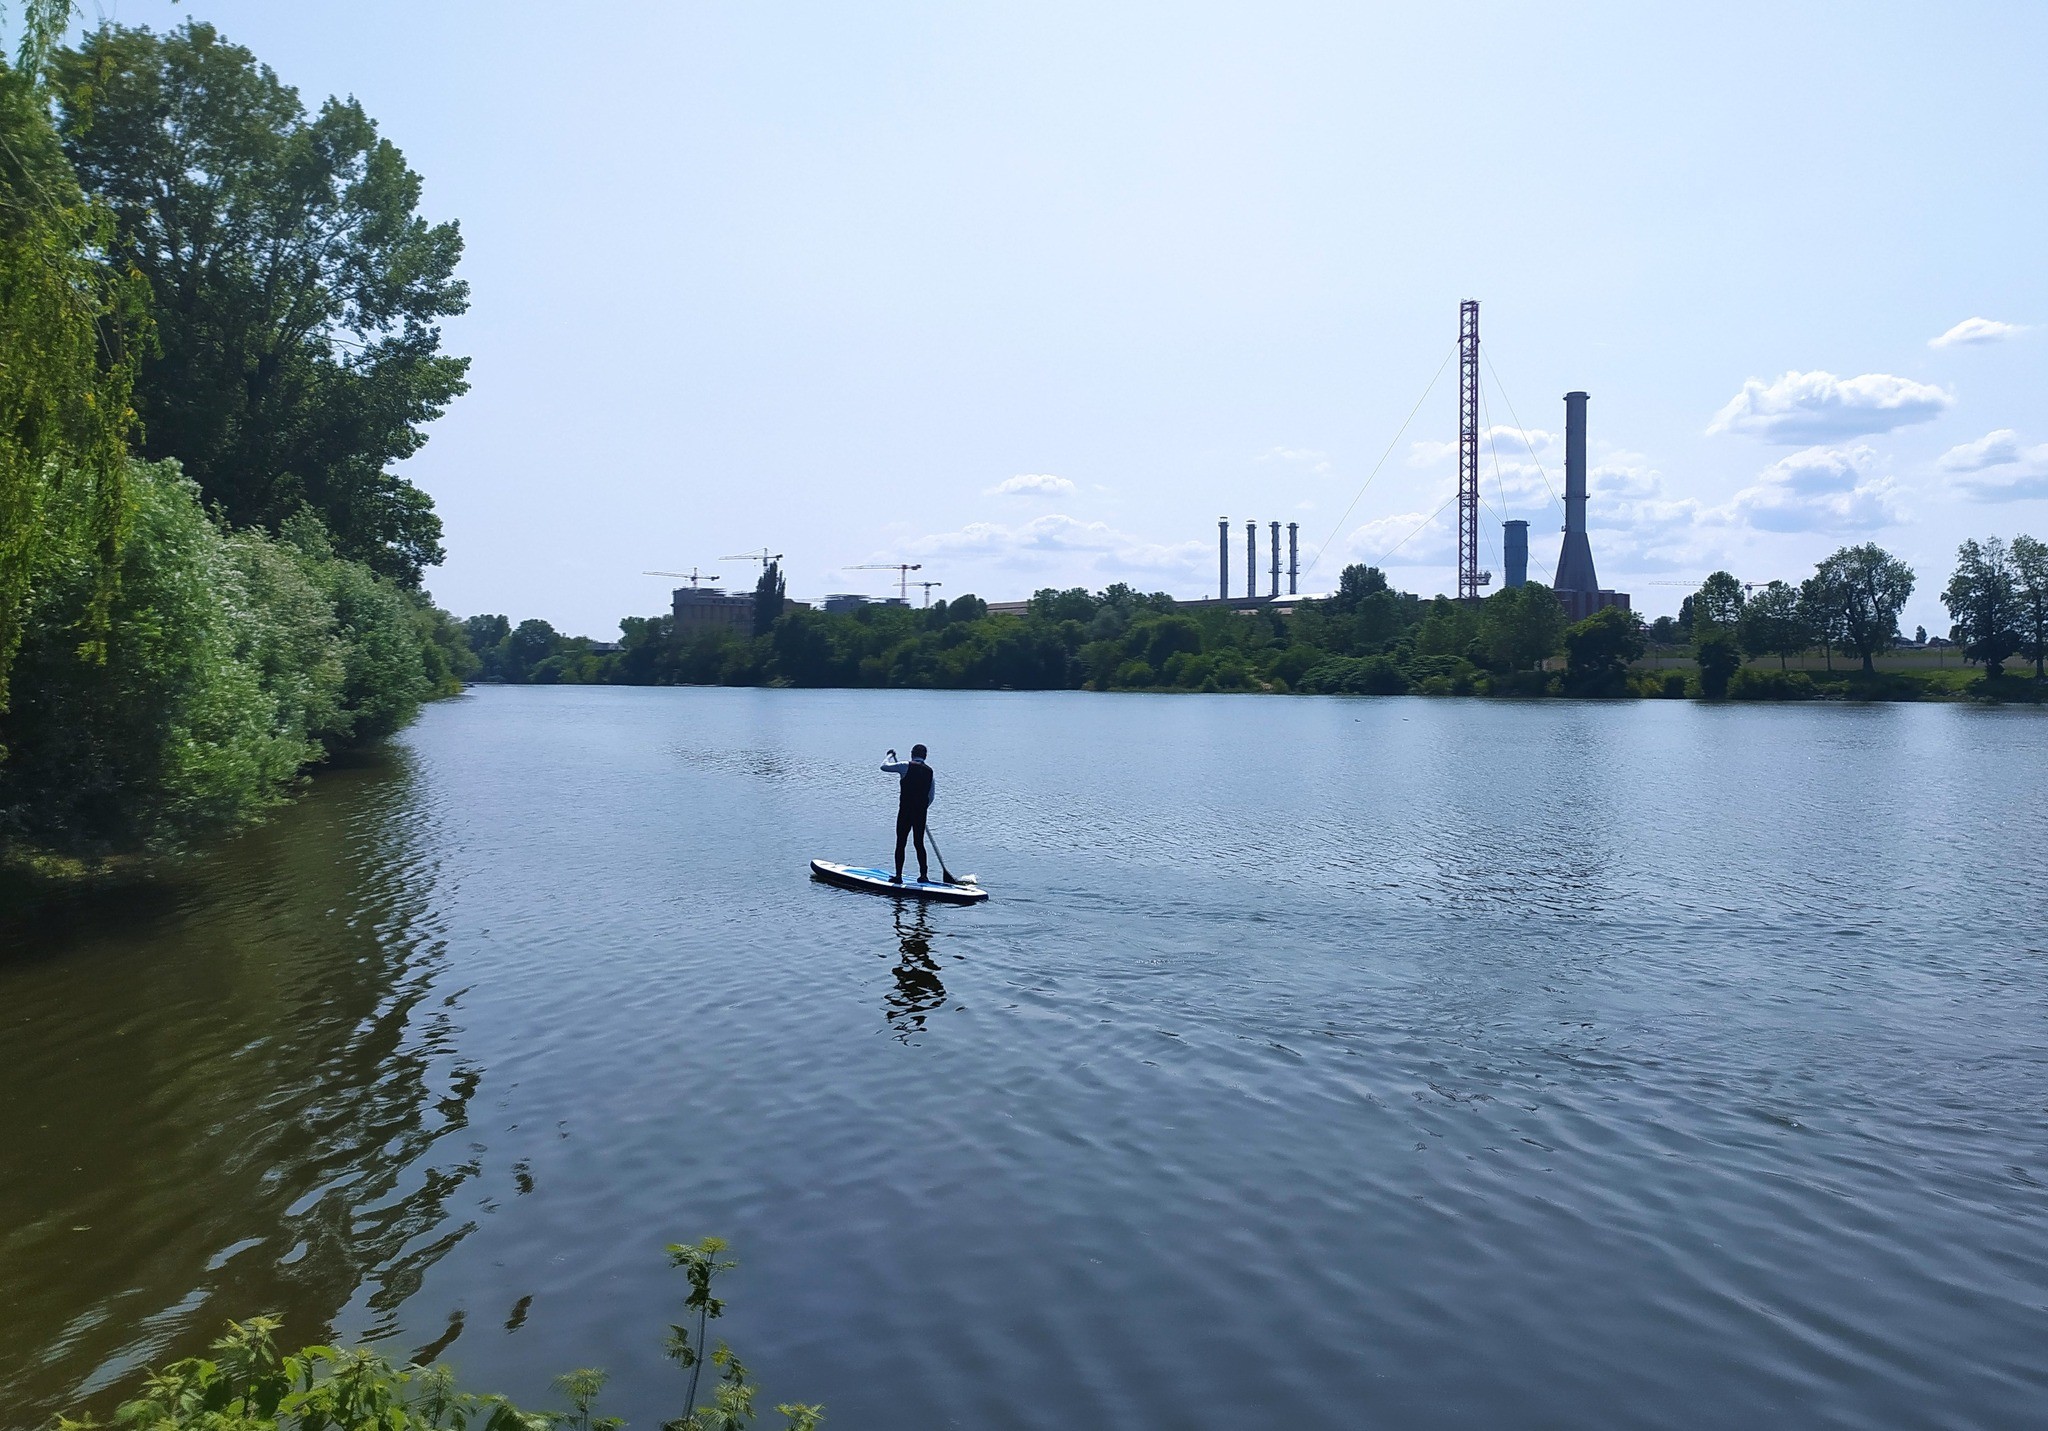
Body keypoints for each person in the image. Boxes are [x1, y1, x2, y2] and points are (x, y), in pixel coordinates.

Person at [880, 744, 936, 883]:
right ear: (925, 756)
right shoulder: (930, 772)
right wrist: (922, 808)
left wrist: (890, 755)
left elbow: (884, 767)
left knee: (901, 842)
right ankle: (924, 876)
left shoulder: (905, 765)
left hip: (905, 811)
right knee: (919, 844)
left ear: (912, 754)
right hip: (920, 813)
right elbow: (931, 796)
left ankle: (898, 876)